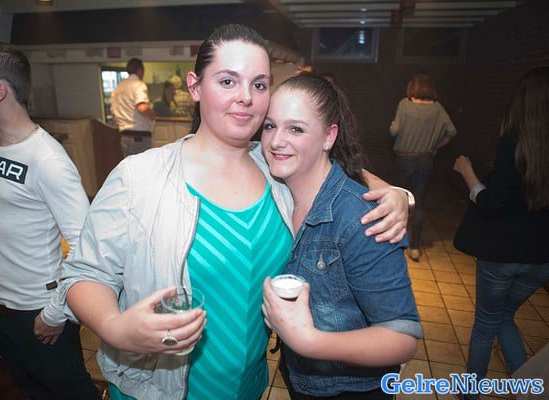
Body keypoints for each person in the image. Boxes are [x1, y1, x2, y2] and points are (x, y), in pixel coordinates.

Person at [61, 24, 411, 400]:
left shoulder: (277, 171)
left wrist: (393, 193)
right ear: (195, 86)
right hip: (159, 389)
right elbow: (84, 273)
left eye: (259, 85)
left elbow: (330, 170)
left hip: (249, 386)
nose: (245, 97)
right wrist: (114, 327)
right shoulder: (139, 177)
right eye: (228, 81)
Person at [0, 40, 99, 399]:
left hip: (37, 312)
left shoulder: (48, 160)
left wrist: (56, 313)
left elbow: (88, 247)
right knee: (31, 391)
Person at [261, 73, 422, 400]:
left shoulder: (361, 218)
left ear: (329, 136)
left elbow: (402, 338)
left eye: (295, 129)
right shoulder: (276, 189)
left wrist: (308, 342)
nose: (276, 141)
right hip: (300, 378)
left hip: (351, 390)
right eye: (269, 126)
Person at [452, 67, 549, 400]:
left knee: (485, 324)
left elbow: (491, 204)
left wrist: (468, 173)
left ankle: (471, 393)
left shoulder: (513, 144)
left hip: (502, 255)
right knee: (504, 317)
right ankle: (530, 389)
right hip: (541, 258)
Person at [390, 72, 457, 261]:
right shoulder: (437, 109)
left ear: (413, 86)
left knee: (399, 201)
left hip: (403, 159)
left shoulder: (405, 104)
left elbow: (394, 130)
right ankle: (414, 247)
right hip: (425, 160)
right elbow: (452, 131)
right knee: (418, 203)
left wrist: (393, 126)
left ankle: (396, 243)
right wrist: (435, 146)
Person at [111, 57, 157, 156]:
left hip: (124, 136)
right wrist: (153, 115)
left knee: (129, 165)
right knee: (145, 165)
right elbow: (142, 107)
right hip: (139, 137)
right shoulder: (138, 85)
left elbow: (113, 112)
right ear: (140, 70)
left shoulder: (118, 87)